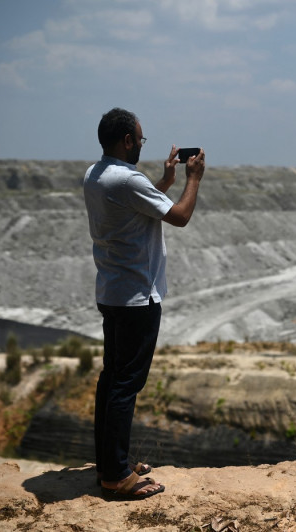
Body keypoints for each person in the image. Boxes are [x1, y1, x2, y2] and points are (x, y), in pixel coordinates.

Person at [83, 107, 205, 499]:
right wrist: (192, 179)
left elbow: (136, 205)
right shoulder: (127, 179)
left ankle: (109, 462)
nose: (141, 144)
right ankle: (117, 476)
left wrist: (164, 182)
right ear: (128, 141)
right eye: (141, 139)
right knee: (126, 384)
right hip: (138, 296)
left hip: (113, 292)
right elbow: (181, 217)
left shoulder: (97, 174)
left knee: (112, 379)